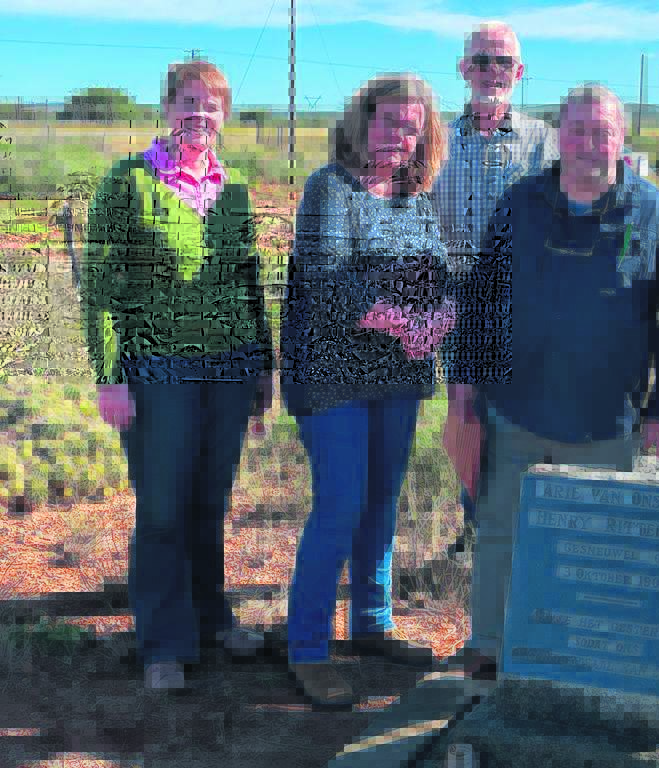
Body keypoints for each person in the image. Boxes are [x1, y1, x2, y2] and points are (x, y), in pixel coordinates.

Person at [442, 83, 659, 679]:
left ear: (621, 139)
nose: (588, 144)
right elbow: (481, 300)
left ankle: (580, 661)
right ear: (559, 136)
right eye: (577, 130)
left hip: (605, 418)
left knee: (597, 545)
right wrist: (464, 393)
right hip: (515, 408)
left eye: (602, 132)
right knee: (500, 531)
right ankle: (490, 649)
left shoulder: (653, 213)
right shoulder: (521, 203)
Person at [81, 59, 274, 692]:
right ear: (166, 109)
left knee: (209, 501)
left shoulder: (234, 189)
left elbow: (249, 282)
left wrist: (262, 366)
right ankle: (164, 641)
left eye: (211, 104)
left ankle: (211, 617)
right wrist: (110, 376)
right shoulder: (129, 182)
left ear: (225, 115)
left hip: (229, 370)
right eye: (188, 101)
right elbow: (101, 287)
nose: (199, 114)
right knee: (163, 506)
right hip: (158, 368)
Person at [280, 73, 455, 708]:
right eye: (390, 122)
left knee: (381, 502)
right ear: (363, 121)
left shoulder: (416, 200)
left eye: (413, 127)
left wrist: (441, 316)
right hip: (332, 374)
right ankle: (307, 649)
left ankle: (371, 624)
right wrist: (405, 322)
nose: (400, 136)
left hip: (397, 376)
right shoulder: (331, 189)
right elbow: (329, 280)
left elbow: (439, 272)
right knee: (340, 505)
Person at [433, 21, 558, 561]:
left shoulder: (545, 142)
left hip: (521, 301)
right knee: (466, 420)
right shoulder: (436, 141)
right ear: (464, 69)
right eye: (481, 61)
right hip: (458, 298)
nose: (492, 71)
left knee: (521, 420)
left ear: (519, 71)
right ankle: (478, 527)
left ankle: (524, 535)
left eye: (502, 61)